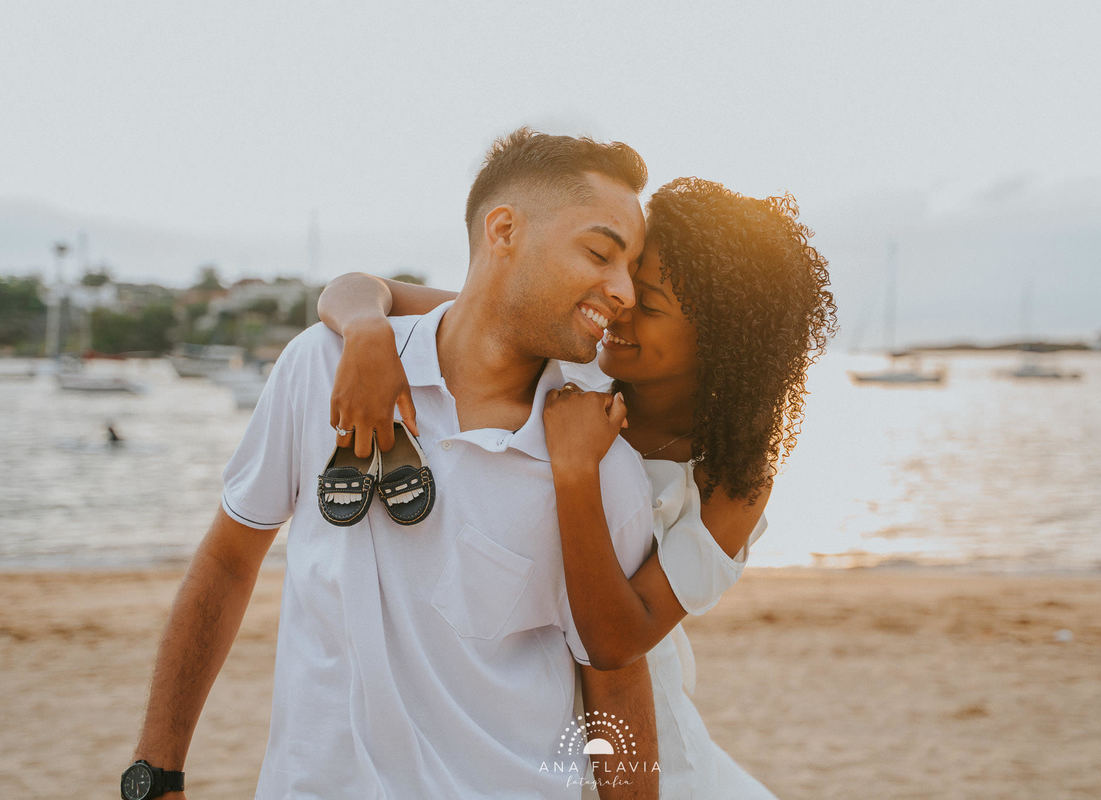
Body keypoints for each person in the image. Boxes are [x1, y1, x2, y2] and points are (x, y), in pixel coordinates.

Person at [126, 129, 662, 800]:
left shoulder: (601, 465)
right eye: (599, 253)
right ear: (503, 231)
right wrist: (156, 770)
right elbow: (230, 560)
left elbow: (614, 675)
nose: (622, 292)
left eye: (630, 270)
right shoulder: (323, 366)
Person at [318, 177, 836, 798]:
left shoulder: (733, 477)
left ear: (718, 340)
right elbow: (362, 289)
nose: (617, 305)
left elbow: (616, 641)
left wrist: (576, 470)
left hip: (632, 748)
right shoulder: (568, 337)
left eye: (648, 303)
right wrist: (366, 331)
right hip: (504, 707)